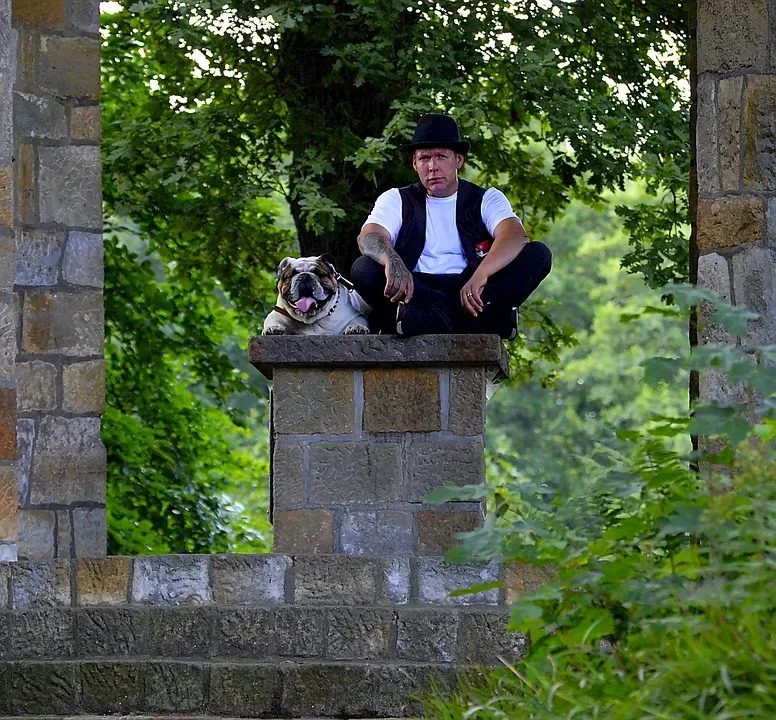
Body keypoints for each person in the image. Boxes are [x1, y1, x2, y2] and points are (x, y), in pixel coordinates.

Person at [351, 113, 552, 338]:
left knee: (538, 255)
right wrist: (392, 260)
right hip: (417, 289)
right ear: (414, 163)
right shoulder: (396, 199)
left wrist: (481, 275)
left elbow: (515, 236)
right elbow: (369, 236)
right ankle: (483, 321)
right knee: (364, 269)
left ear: (458, 160)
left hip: (473, 288)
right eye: (425, 158)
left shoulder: (486, 198)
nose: (433, 167)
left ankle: (418, 321)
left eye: (441, 157)